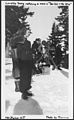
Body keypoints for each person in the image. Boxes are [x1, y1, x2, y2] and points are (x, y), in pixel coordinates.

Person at [17, 34, 33, 99]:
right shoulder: (19, 43)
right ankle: (23, 92)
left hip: (29, 61)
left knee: (29, 76)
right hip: (23, 62)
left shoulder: (29, 42)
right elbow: (18, 54)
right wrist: (19, 62)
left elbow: (30, 52)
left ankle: (26, 90)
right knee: (24, 77)